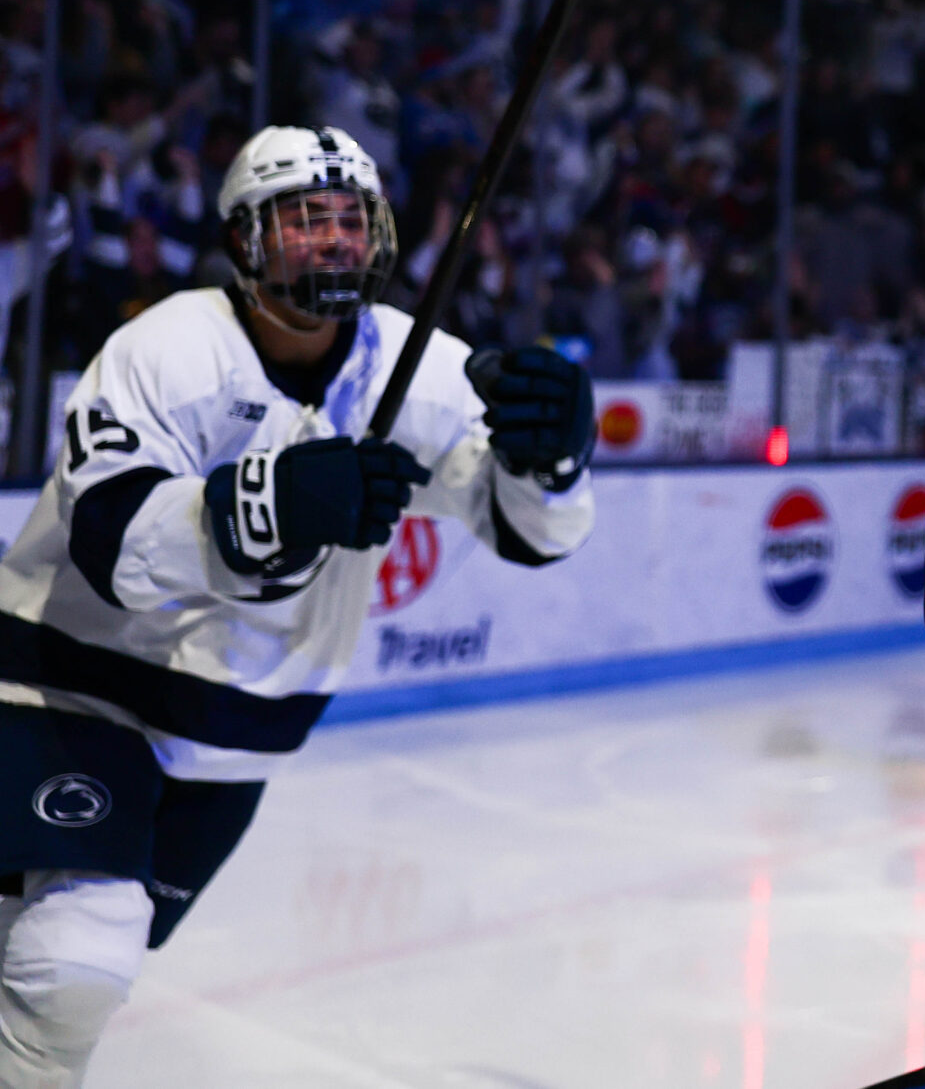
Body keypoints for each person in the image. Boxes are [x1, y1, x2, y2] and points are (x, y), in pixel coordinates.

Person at [0, 126, 598, 1085]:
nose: (331, 239)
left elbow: (532, 531)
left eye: (349, 219)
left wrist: (553, 459)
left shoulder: (416, 365)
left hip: (232, 740)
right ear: (244, 240)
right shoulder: (167, 348)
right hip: (69, 686)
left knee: (58, 957)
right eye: (302, 219)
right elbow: (106, 535)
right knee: (73, 956)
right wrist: (260, 503)